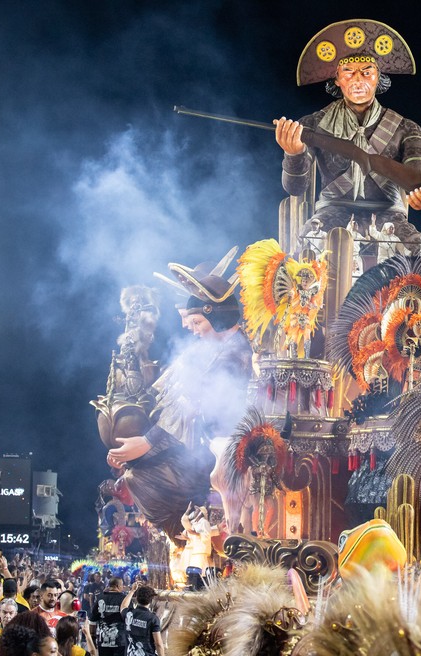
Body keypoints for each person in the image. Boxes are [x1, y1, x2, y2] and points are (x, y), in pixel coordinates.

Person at [107, 273, 253, 544]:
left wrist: (148, 442)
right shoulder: (209, 349)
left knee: (142, 478)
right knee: (135, 472)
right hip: (196, 442)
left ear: (218, 317)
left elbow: (197, 402)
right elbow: (172, 394)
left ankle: (188, 538)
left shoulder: (235, 353)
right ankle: (186, 537)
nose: (191, 328)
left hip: (220, 448)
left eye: (197, 322)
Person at [275, 19, 421, 250]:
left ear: (378, 77)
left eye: (367, 72)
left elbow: (418, 176)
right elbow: (295, 189)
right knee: (310, 246)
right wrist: (294, 154)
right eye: (348, 72)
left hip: (389, 214)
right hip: (331, 211)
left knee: (416, 254)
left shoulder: (408, 129)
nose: (358, 79)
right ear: (337, 79)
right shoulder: (312, 124)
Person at [119, 586, 163, 656]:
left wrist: (132, 591)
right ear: (151, 601)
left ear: (136, 598)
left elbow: (123, 606)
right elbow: (158, 644)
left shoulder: (129, 614)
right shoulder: (153, 619)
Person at [88, 579, 124, 656]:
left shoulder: (101, 598)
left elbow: (93, 620)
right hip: (121, 642)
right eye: (122, 585)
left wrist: (93, 638)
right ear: (118, 586)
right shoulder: (125, 599)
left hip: (103, 642)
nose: (123, 588)